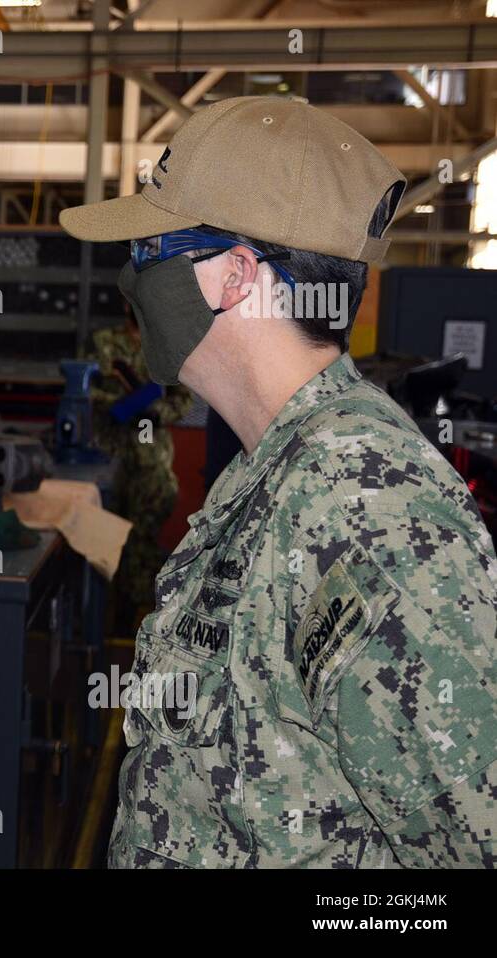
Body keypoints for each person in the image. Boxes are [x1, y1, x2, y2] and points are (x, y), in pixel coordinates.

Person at [59, 96, 497, 867]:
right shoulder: (277, 470)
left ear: (234, 275)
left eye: (154, 248)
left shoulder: (368, 510)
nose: (134, 276)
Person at [88, 304, 193, 634]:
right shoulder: (103, 342)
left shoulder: (164, 346)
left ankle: (136, 618)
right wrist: (117, 406)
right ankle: (101, 617)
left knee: (142, 539)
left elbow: (183, 397)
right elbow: (84, 388)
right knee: (103, 538)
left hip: (151, 460)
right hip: (108, 456)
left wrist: (154, 411)